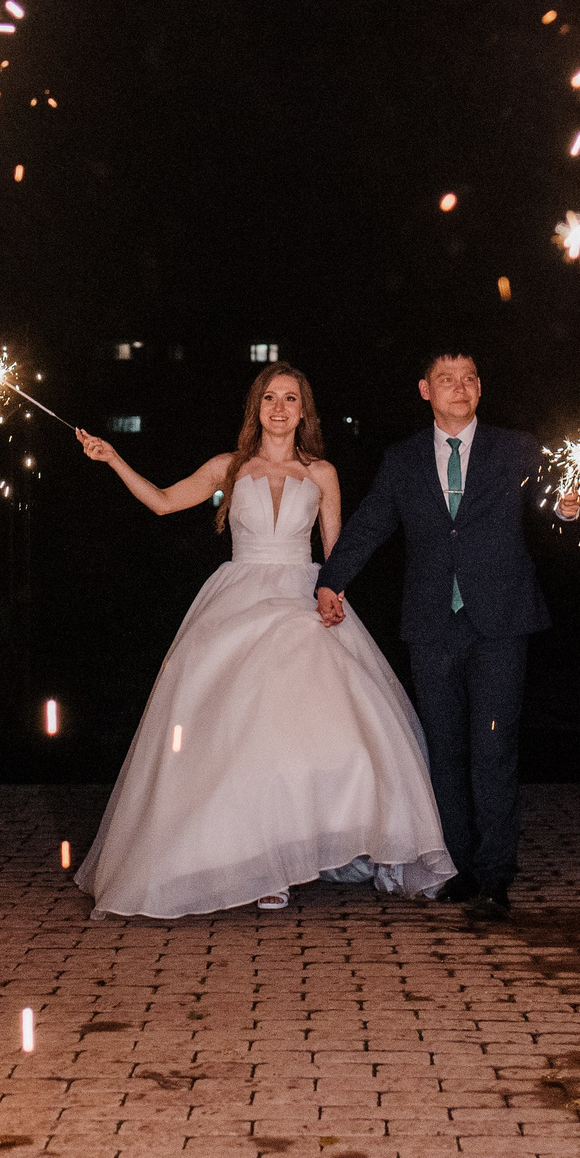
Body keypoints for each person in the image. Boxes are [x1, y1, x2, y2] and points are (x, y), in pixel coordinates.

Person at [74, 364, 453, 917]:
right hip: (239, 596)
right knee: (236, 736)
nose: (279, 408)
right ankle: (255, 867)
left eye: (291, 399)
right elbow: (160, 501)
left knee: (323, 735)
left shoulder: (323, 472)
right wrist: (113, 460)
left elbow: (337, 549)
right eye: (270, 398)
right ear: (257, 407)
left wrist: (334, 593)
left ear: (304, 411)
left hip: (303, 597)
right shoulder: (228, 467)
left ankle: (311, 845)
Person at [313, 352, 580, 922]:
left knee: (494, 748)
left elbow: (554, 500)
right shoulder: (404, 459)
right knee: (445, 749)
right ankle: (457, 869)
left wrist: (565, 509)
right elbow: (370, 523)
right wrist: (331, 581)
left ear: (480, 387)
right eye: (445, 380)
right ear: (425, 390)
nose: (458, 389)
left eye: (468, 380)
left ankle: (494, 876)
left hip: (502, 620)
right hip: (433, 623)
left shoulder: (516, 449)